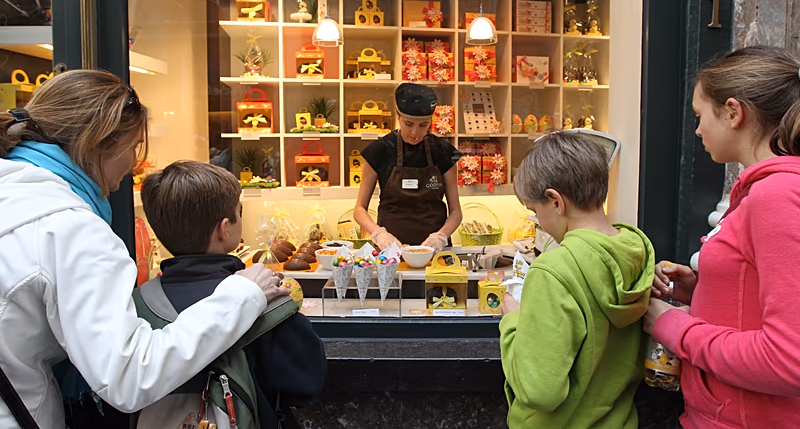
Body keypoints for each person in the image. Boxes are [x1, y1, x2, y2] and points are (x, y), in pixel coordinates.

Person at [0, 70, 286, 428]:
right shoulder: (69, 230)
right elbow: (131, 374)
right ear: (100, 145)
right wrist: (243, 294)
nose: (135, 162)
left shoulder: (15, 193)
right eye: (134, 146)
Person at [644, 46, 800, 428]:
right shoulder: (765, 190)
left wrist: (672, 326)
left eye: (700, 116)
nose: (698, 130)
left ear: (734, 113)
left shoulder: (777, 196)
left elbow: (791, 359)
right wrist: (703, 289)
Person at [137, 160, 326, 428]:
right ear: (224, 228)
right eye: (240, 211)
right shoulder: (268, 301)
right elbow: (306, 383)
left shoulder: (137, 304)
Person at [500, 131, 655, 428]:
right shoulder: (636, 251)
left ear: (555, 201)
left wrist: (513, 322)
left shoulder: (554, 270)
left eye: (536, 212)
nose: (539, 222)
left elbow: (540, 391)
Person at [354, 83, 462, 251]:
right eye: (408, 124)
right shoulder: (379, 151)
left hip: (434, 252)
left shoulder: (444, 152)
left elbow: (456, 212)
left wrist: (440, 237)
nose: (415, 133)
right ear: (398, 116)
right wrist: (379, 234)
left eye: (423, 125)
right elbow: (359, 209)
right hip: (390, 250)